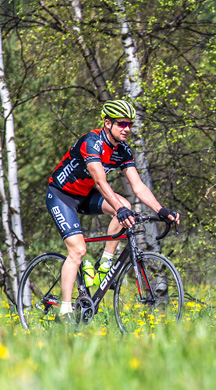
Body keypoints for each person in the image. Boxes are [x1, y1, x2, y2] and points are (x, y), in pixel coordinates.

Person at [46, 99, 180, 322]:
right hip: (62, 196)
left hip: (86, 196)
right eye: (121, 124)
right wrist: (119, 209)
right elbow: (100, 181)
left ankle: (105, 264)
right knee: (78, 251)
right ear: (107, 123)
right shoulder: (91, 143)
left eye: (129, 124)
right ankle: (65, 310)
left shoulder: (122, 150)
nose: (127, 129)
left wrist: (161, 209)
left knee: (126, 206)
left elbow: (137, 186)